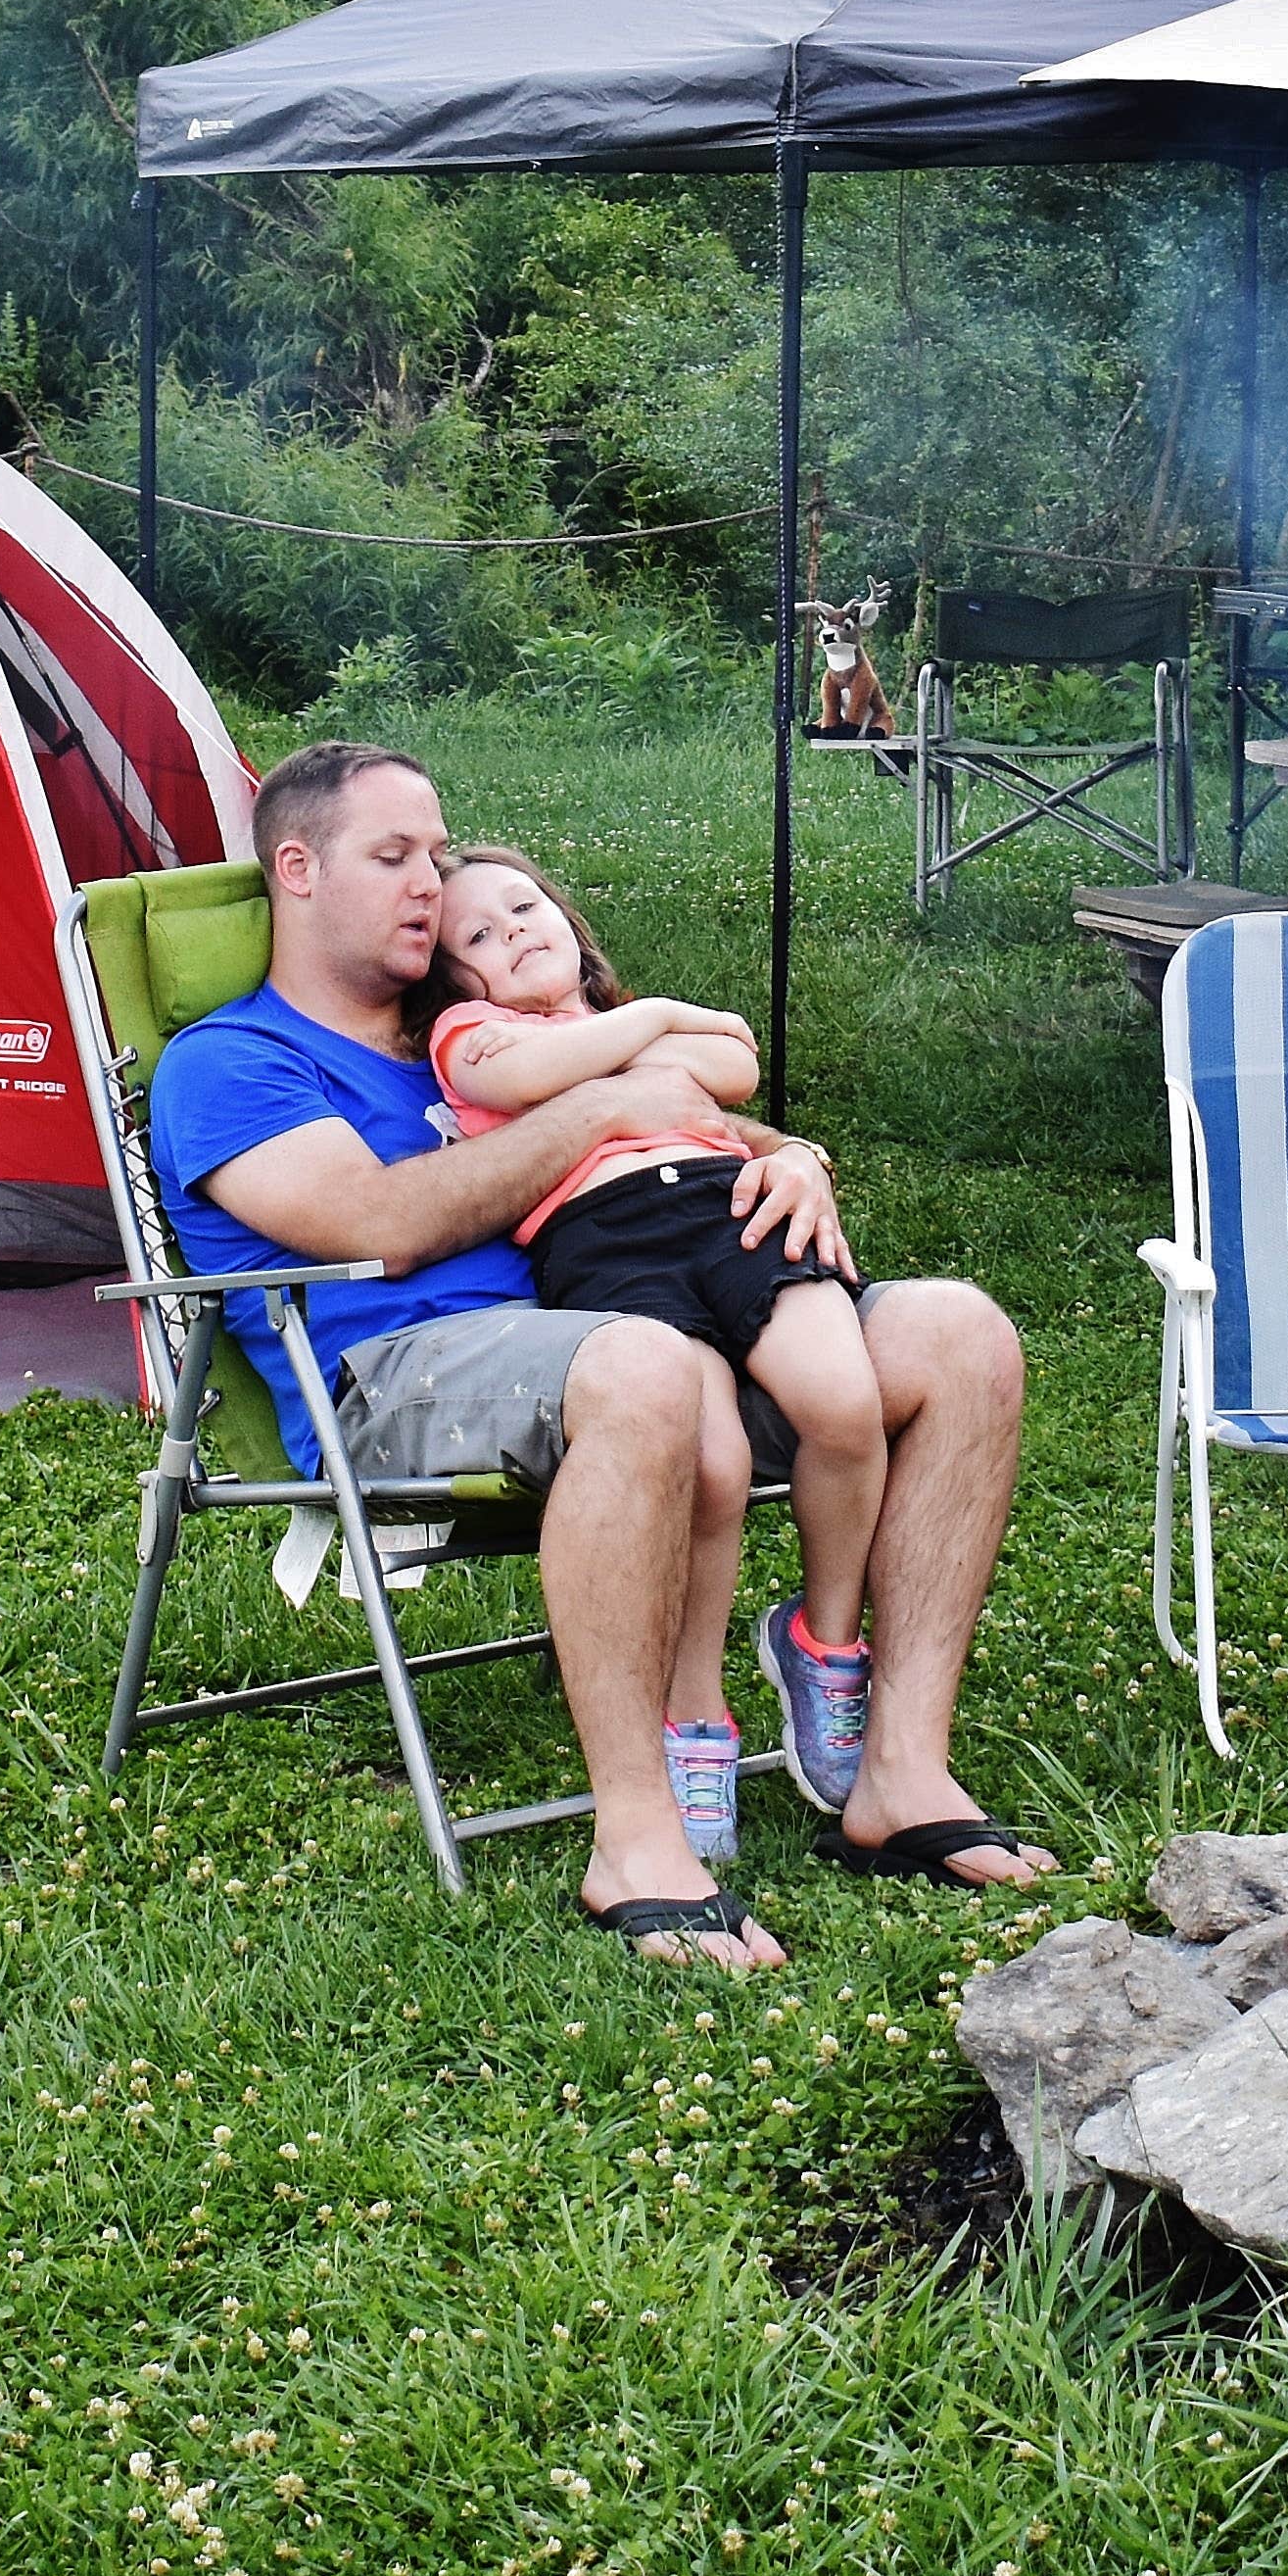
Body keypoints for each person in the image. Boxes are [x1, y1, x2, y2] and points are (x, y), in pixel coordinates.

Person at [150, 742, 1057, 1968]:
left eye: (438, 851)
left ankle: (900, 1766)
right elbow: (380, 1224)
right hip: (411, 1376)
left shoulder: (479, 1037)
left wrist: (786, 1154)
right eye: (394, 855)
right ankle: (636, 1839)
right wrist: (606, 1106)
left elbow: (676, 1119)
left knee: (960, 1332)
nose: (432, 880)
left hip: (643, 1323)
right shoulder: (234, 1060)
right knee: (640, 1366)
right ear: (298, 869)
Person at [407, 845, 892, 1852]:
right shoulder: (471, 1036)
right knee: (709, 1469)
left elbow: (739, 1065)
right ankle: (695, 1714)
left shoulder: (597, 1029)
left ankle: (824, 1644)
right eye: (480, 939)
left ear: (566, 915)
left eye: (525, 906)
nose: (515, 933)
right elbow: (545, 1070)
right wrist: (658, 1023)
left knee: (846, 1407)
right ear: (458, 983)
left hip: (735, 1212)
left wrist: (633, 1037)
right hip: (609, 1241)